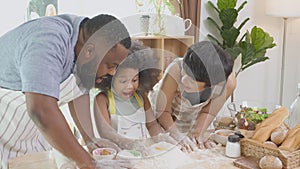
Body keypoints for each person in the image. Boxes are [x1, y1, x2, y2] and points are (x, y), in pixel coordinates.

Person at [0, 13, 132, 169]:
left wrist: (89, 139)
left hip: (30, 136)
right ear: (89, 51)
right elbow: (41, 110)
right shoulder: (48, 41)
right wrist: (89, 164)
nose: (112, 72)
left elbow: (78, 90)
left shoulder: (83, 42)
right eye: (111, 65)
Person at [149, 41, 236, 152]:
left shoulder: (227, 84)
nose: (184, 79)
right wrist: (177, 136)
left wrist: (197, 136)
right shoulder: (175, 69)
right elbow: (162, 111)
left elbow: (207, 112)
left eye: (191, 80)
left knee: (192, 148)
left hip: (189, 119)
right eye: (185, 72)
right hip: (160, 116)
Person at [94, 40, 176, 152]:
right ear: (110, 78)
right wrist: (130, 144)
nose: (130, 86)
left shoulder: (141, 97)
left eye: (134, 80)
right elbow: (106, 132)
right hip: (119, 155)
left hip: (144, 151)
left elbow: (152, 125)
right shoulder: (103, 100)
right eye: (123, 81)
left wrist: (160, 137)